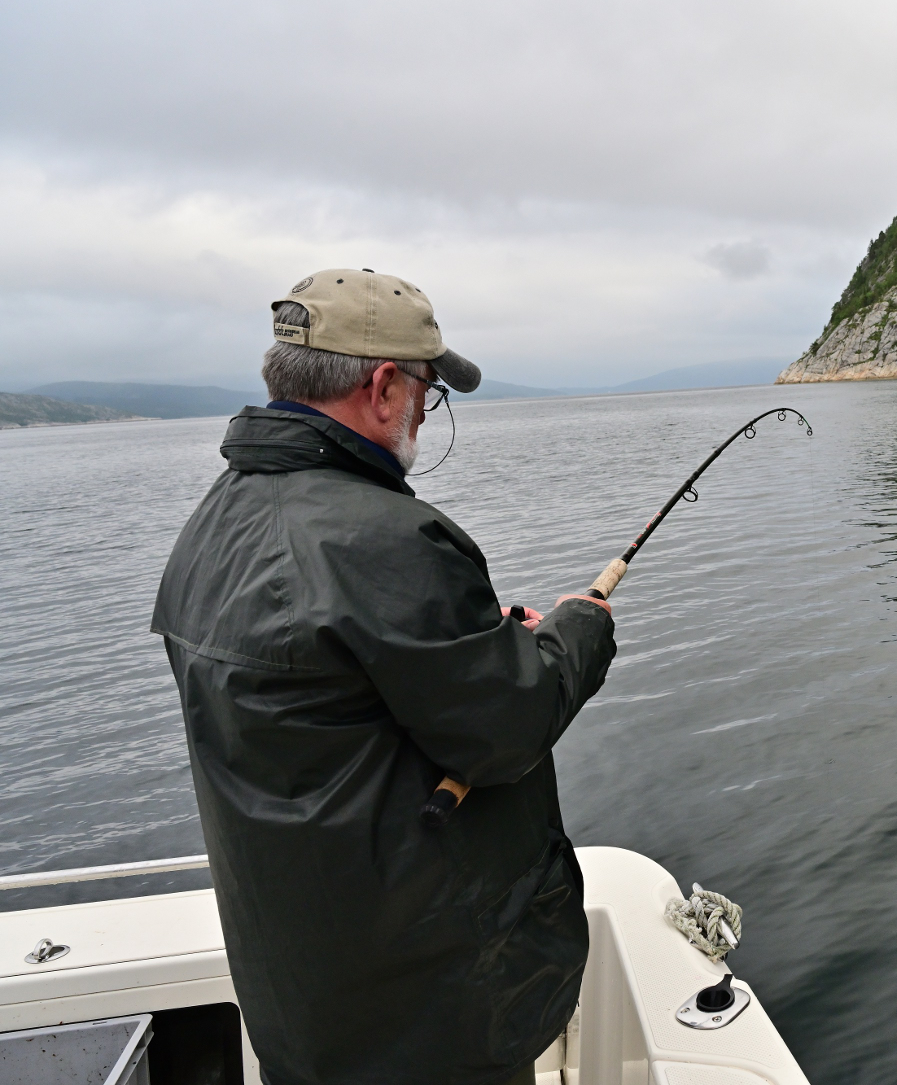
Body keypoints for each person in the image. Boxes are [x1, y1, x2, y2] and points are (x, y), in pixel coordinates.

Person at [151, 268, 616, 1085]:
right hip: (428, 1014)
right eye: (428, 393)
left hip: (304, 1001)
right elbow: (504, 727)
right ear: (383, 385)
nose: (423, 413)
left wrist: (483, 642)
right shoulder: (390, 541)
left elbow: (339, 693)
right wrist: (580, 629)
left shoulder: (214, 522)